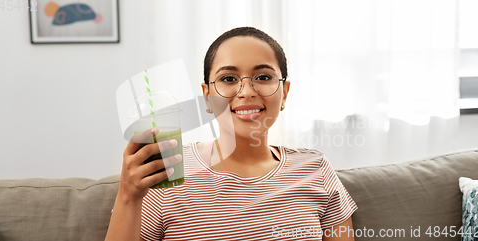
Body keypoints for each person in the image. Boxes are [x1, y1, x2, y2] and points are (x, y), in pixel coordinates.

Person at [105, 27, 357, 241]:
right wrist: (128, 195)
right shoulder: (168, 169)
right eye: (228, 78)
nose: (246, 91)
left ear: (285, 93)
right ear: (206, 96)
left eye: (263, 76)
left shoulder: (316, 169)